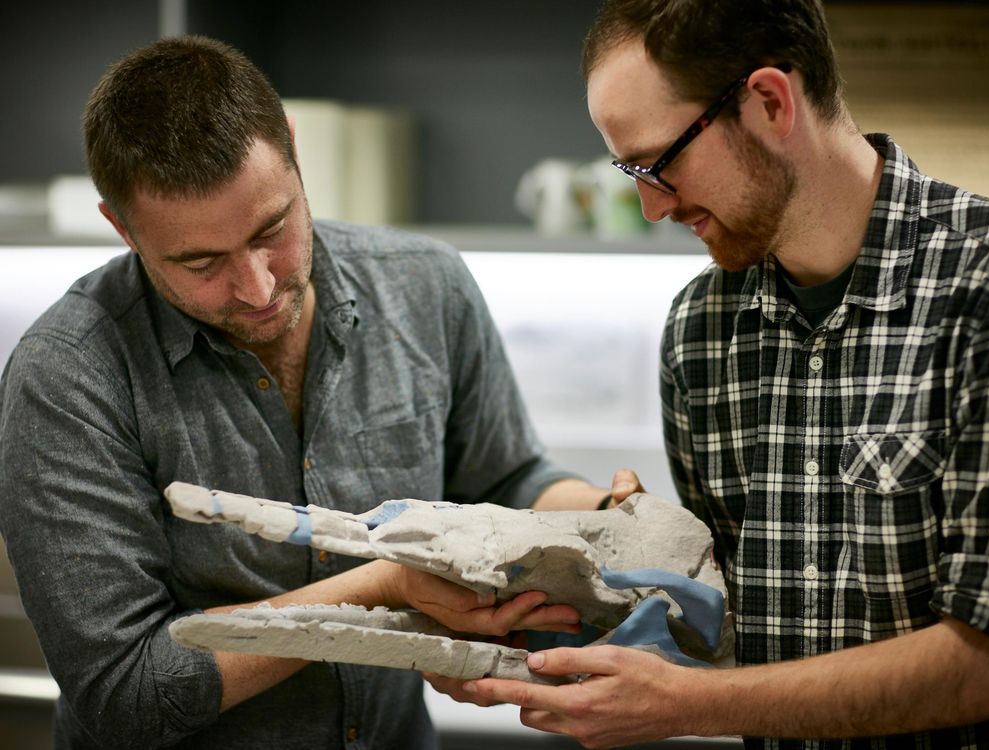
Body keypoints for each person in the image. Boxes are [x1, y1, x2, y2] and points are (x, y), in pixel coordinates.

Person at [0, 35, 612, 749]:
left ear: (292, 147)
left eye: (273, 228)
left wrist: (601, 516)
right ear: (122, 227)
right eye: (201, 262)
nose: (258, 286)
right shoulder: (67, 378)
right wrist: (382, 590)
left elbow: (504, 477)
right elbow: (128, 694)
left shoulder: (426, 286)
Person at [465, 1, 989, 748]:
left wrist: (686, 705)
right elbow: (732, 625)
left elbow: (985, 661)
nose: (652, 206)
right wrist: (616, 580)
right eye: (631, 173)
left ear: (770, 102)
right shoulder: (700, 331)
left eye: (662, 162)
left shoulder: (984, 286)